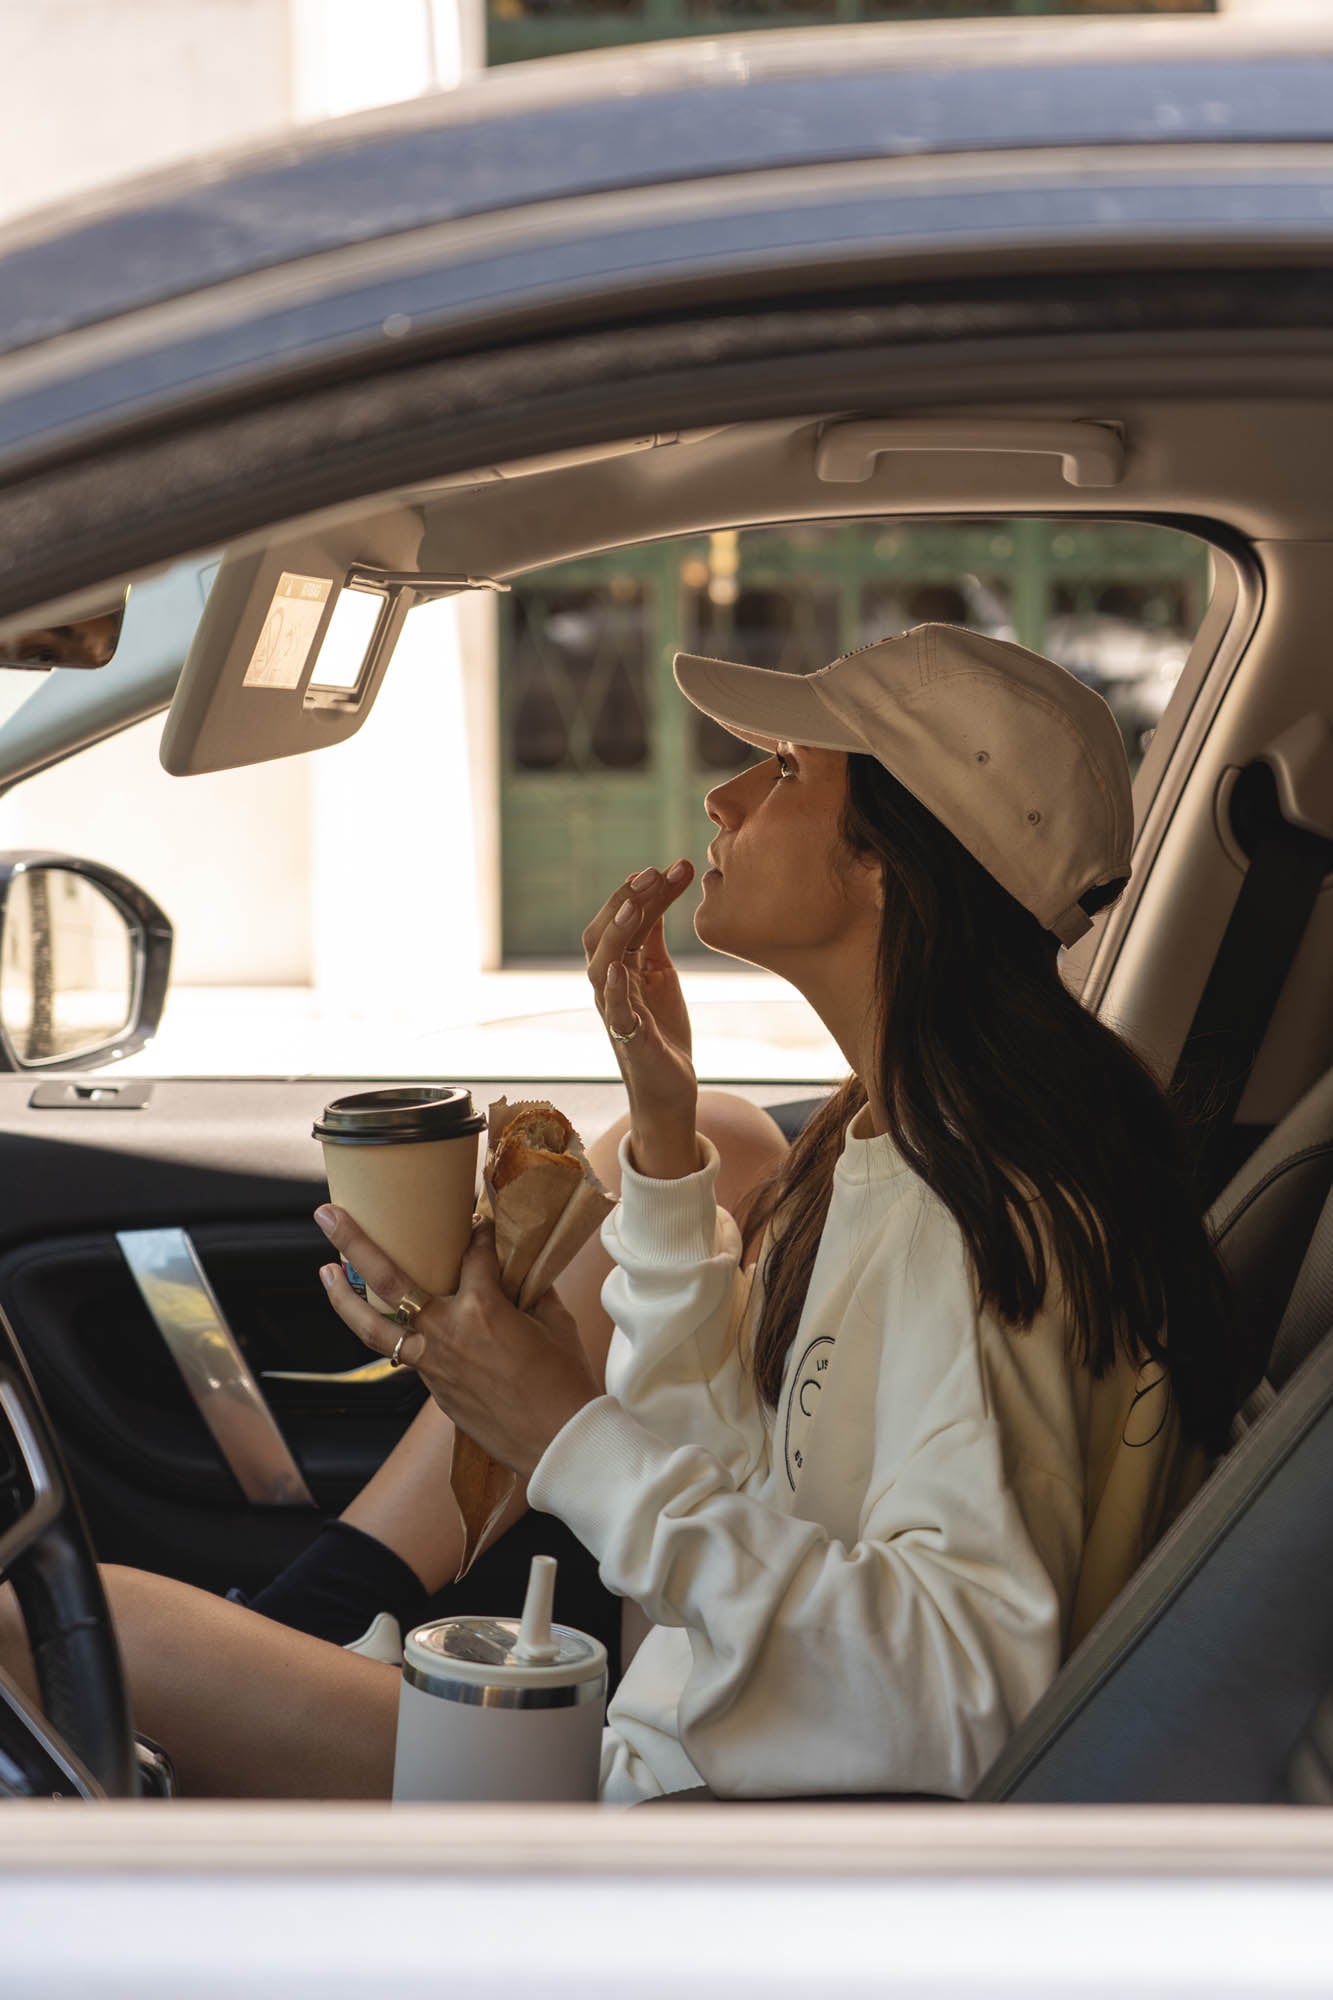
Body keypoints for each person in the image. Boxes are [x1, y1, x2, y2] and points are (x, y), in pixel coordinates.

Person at [0, 622, 1241, 1803]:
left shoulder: (979, 1214)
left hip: (673, 1818)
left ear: (887, 858)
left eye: (784, 769)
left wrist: (563, 1430)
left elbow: (960, 1691)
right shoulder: (896, 1153)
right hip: (662, 1753)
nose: (725, 797)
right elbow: (753, 1472)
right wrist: (660, 1131)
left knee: (47, 1636)